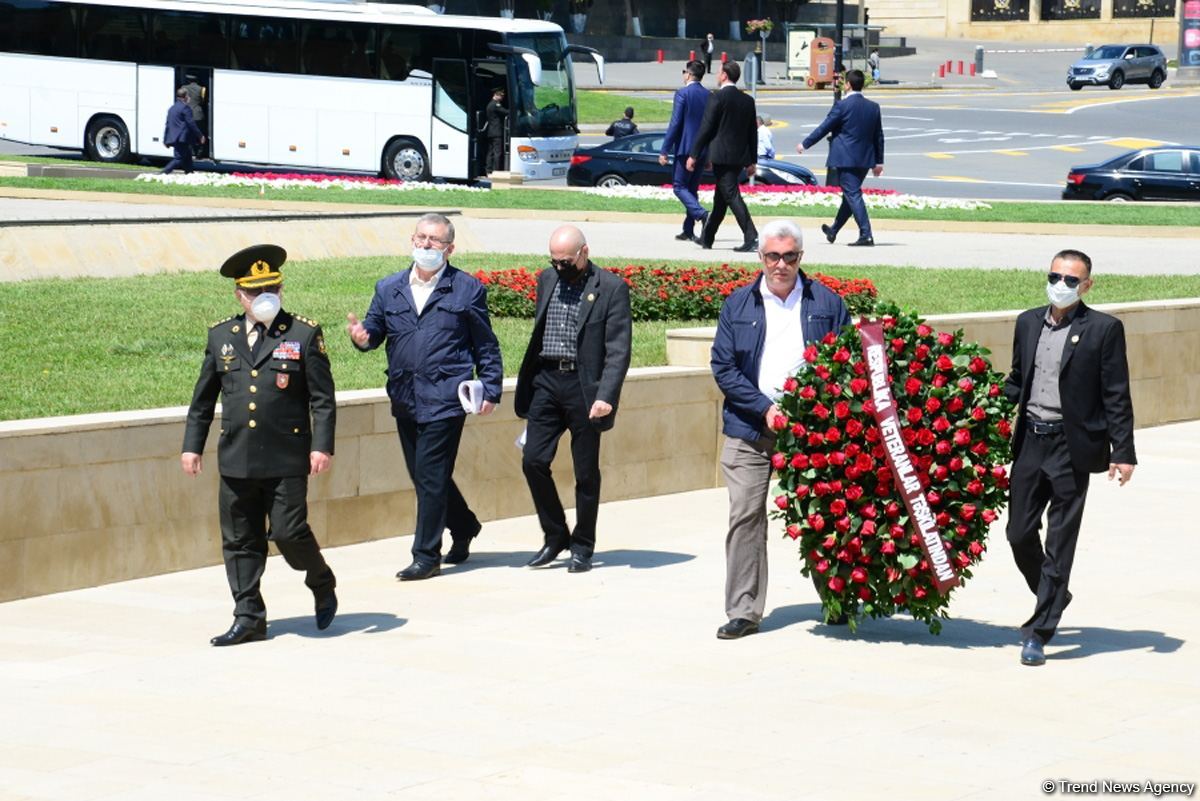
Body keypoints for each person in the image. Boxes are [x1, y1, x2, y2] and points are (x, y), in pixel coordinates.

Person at [182, 244, 338, 646]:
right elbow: (203, 399)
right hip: (237, 457)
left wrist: (322, 446)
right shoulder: (222, 336)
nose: (263, 296)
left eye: (271, 287)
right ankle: (248, 615)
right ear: (239, 295)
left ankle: (320, 578)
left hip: (287, 457)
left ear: (281, 289)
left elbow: (322, 398)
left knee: (287, 532)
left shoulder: (304, 333)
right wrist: (192, 446)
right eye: (254, 291)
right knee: (239, 539)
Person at [709, 220, 851, 639]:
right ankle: (744, 610)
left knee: (824, 514)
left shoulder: (826, 301)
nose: (781, 264)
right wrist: (765, 408)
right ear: (761, 257)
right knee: (746, 516)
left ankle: (836, 598)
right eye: (773, 256)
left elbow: (842, 363)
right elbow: (724, 367)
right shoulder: (738, 304)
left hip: (811, 430)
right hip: (749, 429)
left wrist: (813, 407)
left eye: (789, 256)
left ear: (800, 257)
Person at [347, 214, 503, 579]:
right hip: (405, 396)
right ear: (411, 240)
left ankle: (426, 555)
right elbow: (374, 332)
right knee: (425, 477)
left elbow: (486, 345)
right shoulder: (389, 288)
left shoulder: (467, 289)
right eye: (422, 238)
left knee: (430, 477)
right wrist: (362, 337)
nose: (427, 245)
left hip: (447, 396)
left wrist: (491, 388)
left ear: (450, 248)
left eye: (435, 240)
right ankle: (464, 525)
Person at [1003, 249, 1136, 667]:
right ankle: (1055, 591)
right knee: (1018, 533)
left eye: (1071, 280)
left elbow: (1116, 393)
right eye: (1055, 276)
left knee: (1061, 540)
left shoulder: (1104, 330)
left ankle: (1040, 631)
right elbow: (1018, 381)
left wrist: (1123, 451)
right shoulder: (1027, 322)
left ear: (1087, 285)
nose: (1061, 285)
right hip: (1030, 442)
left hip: (1071, 447)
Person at [515, 225, 632, 573]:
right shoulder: (546, 280)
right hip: (547, 382)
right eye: (554, 261)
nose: (559, 267)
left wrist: (606, 396)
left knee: (585, 473)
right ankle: (555, 535)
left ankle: (582, 545)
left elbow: (618, 350)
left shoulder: (611, 288)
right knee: (533, 461)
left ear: (584, 252)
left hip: (585, 389)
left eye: (565, 261)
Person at [797, 69, 884, 248]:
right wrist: (879, 161)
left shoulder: (841, 106)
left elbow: (824, 128)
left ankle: (866, 234)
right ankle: (834, 230)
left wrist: (805, 144)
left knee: (852, 194)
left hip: (846, 158)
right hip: (865, 159)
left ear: (848, 85)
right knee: (850, 194)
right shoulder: (873, 107)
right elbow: (879, 136)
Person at [687, 61, 759, 253]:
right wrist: (752, 160)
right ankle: (707, 238)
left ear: (725, 75)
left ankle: (751, 236)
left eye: (719, 72)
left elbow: (706, 128)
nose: (717, 76)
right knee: (721, 199)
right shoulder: (747, 100)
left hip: (721, 155)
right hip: (739, 157)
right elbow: (753, 132)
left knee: (731, 194)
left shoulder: (717, 98)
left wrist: (694, 154)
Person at [658, 60, 710, 243]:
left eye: (683, 72)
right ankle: (688, 229)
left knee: (679, 187)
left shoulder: (682, 94)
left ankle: (702, 214)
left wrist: (664, 150)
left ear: (688, 74)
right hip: (702, 150)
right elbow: (710, 126)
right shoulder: (708, 95)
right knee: (692, 189)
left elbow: (675, 123)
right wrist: (708, 152)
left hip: (685, 149)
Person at [161, 87, 205, 175]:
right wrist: (200, 135)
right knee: (178, 158)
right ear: (185, 97)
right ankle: (163, 173)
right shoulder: (185, 108)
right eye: (188, 96)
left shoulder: (172, 108)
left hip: (175, 137)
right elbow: (191, 123)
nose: (189, 98)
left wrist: (165, 139)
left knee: (188, 157)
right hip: (182, 138)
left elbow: (167, 125)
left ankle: (189, 173)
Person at [181, 73, 206, 155]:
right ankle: (199, 152)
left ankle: (190, 152)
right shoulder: (202, 89)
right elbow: (203, 101)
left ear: (188, 80)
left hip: (187, 114)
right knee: (199, 133)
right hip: (198, 114)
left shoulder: (183, 88)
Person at [485, 88, 509, 174]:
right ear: (496, 95)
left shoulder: (489, 104)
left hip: (491, 132)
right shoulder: (495, 105)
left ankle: (488, 170)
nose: (502, 98)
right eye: (501, 96)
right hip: (497, 132)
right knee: (497, 153)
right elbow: (506, 112)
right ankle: (496, 171)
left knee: (490, 152)